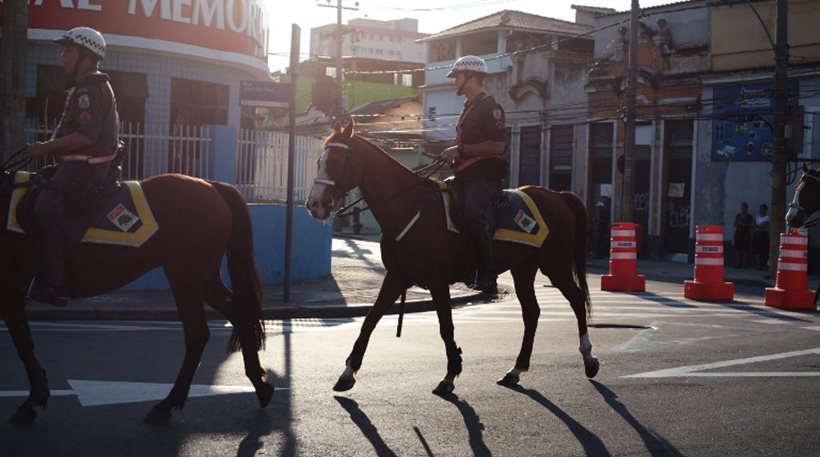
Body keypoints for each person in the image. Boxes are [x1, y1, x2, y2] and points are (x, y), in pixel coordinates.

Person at [25, 27, 121, 306]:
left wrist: (45, 147)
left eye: (68, 50)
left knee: (46, 206)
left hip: (86, 171)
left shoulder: (88, 89)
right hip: (79, 166)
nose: (62, 55)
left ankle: (56, 284)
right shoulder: (88, 86)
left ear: (86, 56)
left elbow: (86, 136)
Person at [438, 55, 507, 295]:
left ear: (471, 76)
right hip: (465, 174)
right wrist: (454, 154)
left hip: (484, 178)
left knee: (472, 214)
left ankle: (488, 276)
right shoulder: (470, 107)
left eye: (457, 76)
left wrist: (461, 150)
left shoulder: (490, 107)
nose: (454, 81)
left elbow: (498, 147)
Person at [733, 202, 754, 268]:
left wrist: (746, 225)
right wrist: (739, 224)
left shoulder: (749, 216)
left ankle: (744, 265)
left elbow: (753, 225)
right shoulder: (738, 216)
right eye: (742, 207)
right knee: (738, 249)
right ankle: (738, 264)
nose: (743, 209)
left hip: (746, 233)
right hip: (739, 233)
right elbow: (734, 224)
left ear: (747, 208)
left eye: (744, 207)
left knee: (745, 249)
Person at [752, 203, 770, 271]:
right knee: (757, 251)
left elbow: (764, 226)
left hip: (763, 235)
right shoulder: (757, 217)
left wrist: (757, 226)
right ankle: (758, 265)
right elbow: (753, 225)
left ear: (765, 210)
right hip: (757, 234)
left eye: (762, 209)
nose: (760, 210)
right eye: (760, 209)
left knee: (763, 250)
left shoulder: (766, 217)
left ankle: (763, 265)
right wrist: (758, 226)